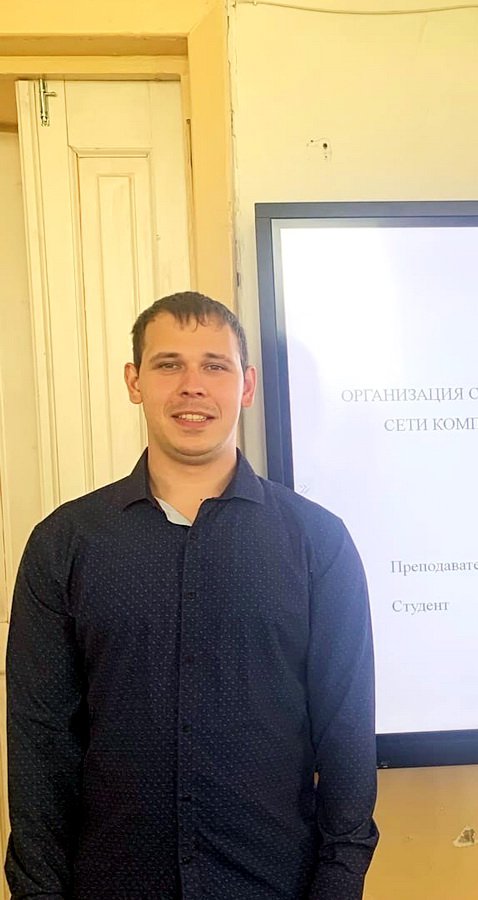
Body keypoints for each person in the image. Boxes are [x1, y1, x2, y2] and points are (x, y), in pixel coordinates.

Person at [6, 292, 379, 900]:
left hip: (274, 883)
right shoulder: (65, 544)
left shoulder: (317, 542)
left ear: (246, 385)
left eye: (214, 365)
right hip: (111, 884)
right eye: (168, 364)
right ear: (134, 381)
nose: (192, 386)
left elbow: (347, 733)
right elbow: (40, 743)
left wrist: (337, 885)